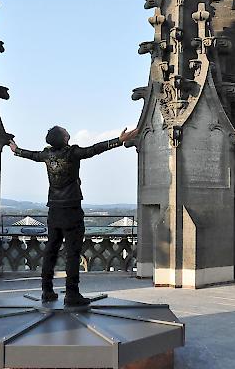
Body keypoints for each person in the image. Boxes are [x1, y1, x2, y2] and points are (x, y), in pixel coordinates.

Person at [9, 126, 139, 306]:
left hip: (53, 210)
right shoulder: (72, 153)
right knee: (72, 253)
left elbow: (31, 155)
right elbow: (94, 149)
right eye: (65, 132)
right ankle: (72, 294)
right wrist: (119, 140)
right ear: (64, 138)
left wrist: (16, 150)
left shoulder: (47, 155)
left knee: (50, 251)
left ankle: (47, 291)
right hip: (71, 210)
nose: (67, 133)